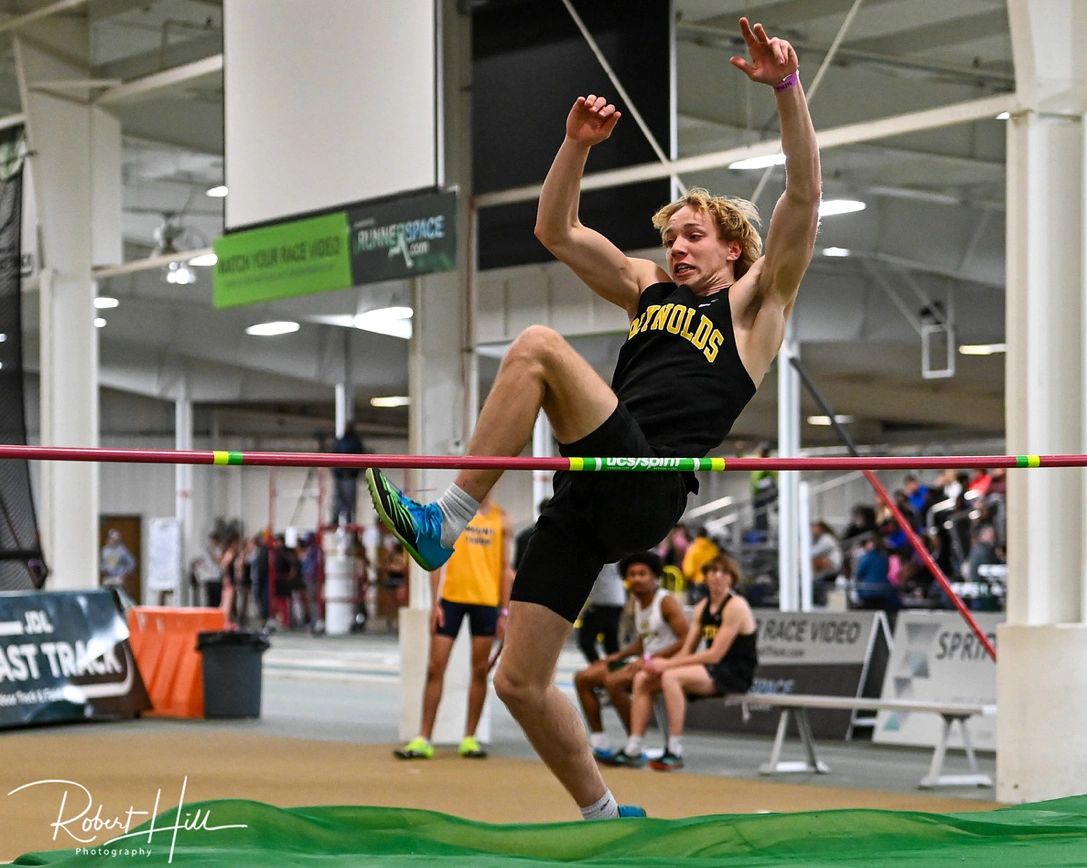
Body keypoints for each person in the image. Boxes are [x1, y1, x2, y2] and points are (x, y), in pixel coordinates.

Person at [367, 16, 819, 820]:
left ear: (733, 251)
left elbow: (802, 194)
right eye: (672, 237)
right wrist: (575, 144)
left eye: (694, 238)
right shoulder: (648, 289)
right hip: (589, 490)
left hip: (646, 480)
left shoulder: (756, 304)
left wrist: (786, 89)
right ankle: (604, 815)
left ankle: (448, 518)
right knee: (517, 679)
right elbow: (555, 229)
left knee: (537, 346)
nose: (678, 249)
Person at [608, 555, 757, 771]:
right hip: (710, 670)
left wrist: (665, 665)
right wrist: (655, 663)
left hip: (735, 672)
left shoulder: (736, 606)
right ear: (705, 577)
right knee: (643, 678)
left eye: (723, 572)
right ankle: (634, 747)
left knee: (671, 676)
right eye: (711, 571)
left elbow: (714, 654)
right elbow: (688, 648)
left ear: (731, 578)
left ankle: (675, 750)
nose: (716, 576)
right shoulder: (702, 607)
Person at [396, 495, 513, 760]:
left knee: (480, 670)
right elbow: (437, 559)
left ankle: (469, 738)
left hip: (486, 601)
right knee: (435, 667)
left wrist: (504, 612)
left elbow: (505, 569)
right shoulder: (456, 515)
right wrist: (434, 602)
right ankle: (423, 738)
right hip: (450, 600)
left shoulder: (501, 519)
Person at [574, 551, 687, 761]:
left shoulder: (666, 602)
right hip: (643, 661)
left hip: (665, 664)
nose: (636, 579)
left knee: (613, 681)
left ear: (654, 577)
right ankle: (600, 745)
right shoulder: (636, 602)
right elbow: (643, 641)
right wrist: (619, 655)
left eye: (642, 574)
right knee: (583, 677)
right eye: (632, 574)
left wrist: (650, 660)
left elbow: (685, 639)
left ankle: (635, 745)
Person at [576, 563, 625, 664]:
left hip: (604, 604)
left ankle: (601, 670)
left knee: (587, 641)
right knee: (611, 644)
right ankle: (611, 672)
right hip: (614, 603)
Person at [331, 422, 365, 525]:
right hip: (345, 475)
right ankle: (340, 518)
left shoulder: (347, 442)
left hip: (347, 475)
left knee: (345, 499)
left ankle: (345, 518)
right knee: (341, 498)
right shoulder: (348, 442)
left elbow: (360, 457)